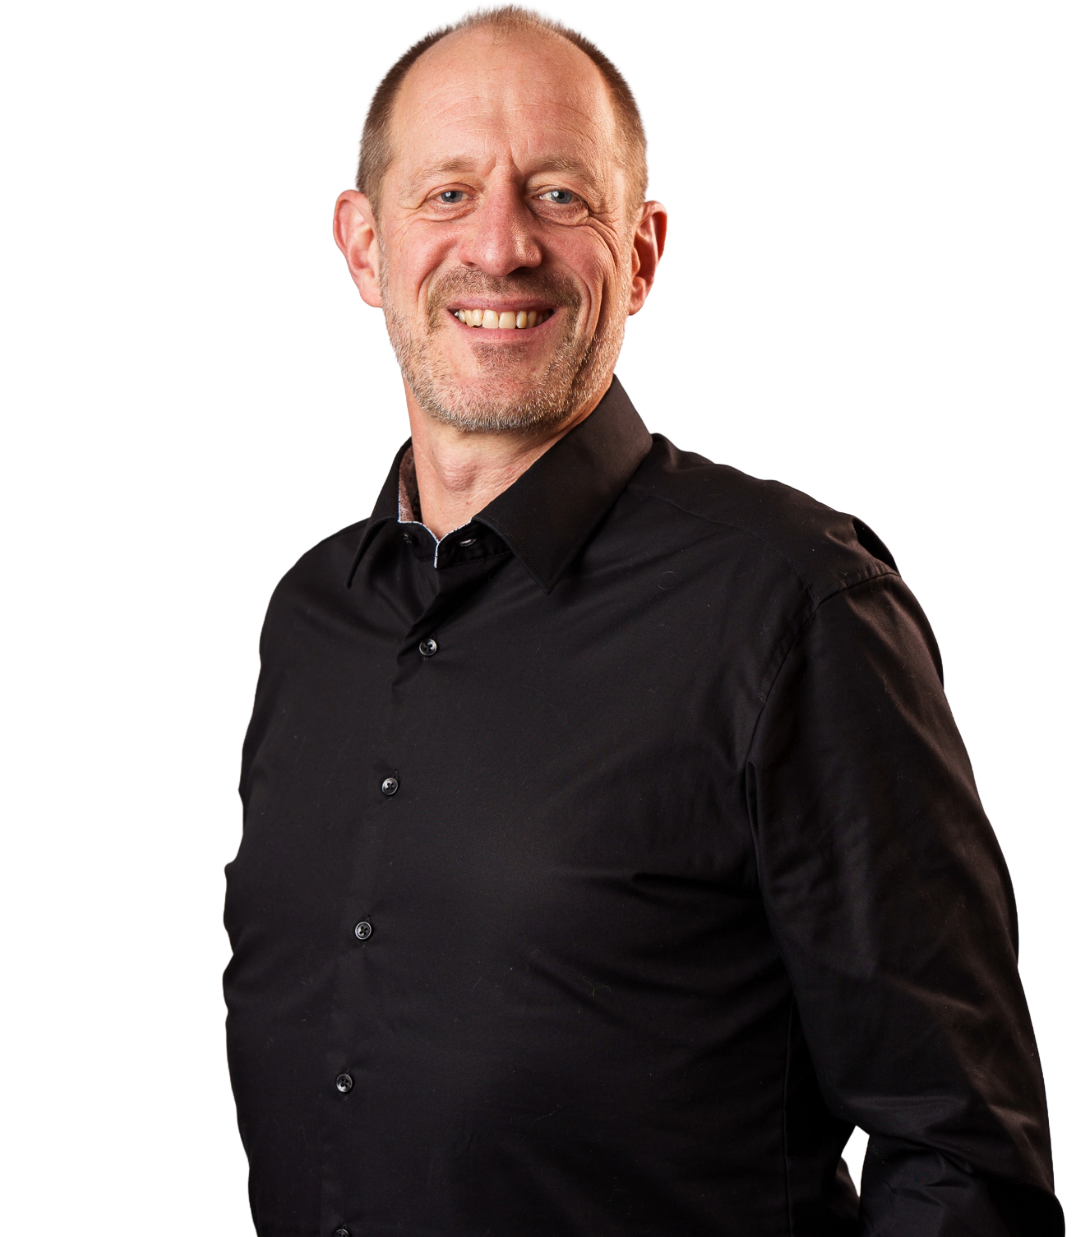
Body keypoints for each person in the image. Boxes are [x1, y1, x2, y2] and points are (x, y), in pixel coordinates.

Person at [223, 5, 1063, 1234]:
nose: (500, 246)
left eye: (559, 195)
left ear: (643, 252)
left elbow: (962, 1155)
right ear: (364, 246)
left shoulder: (796, 604)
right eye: (448, 194)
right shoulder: (309, 616)